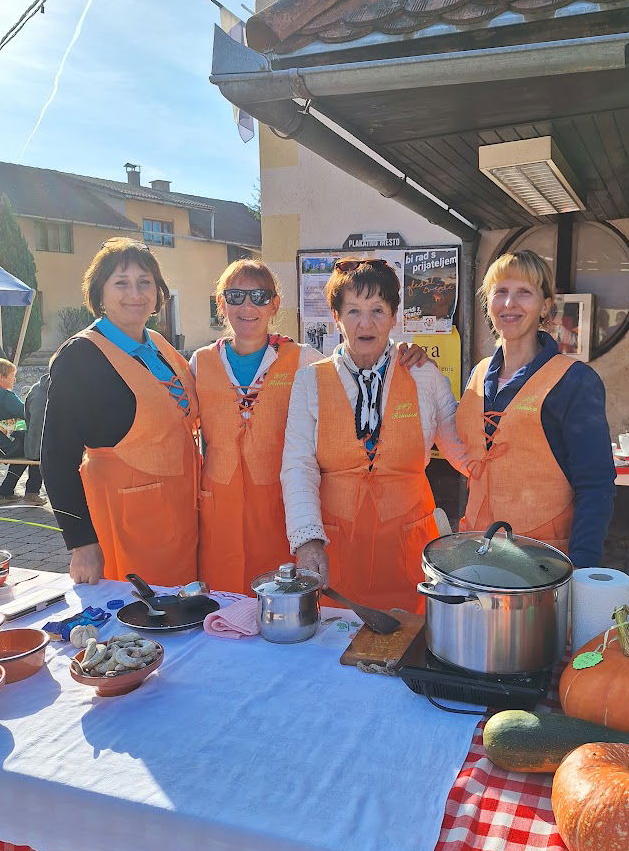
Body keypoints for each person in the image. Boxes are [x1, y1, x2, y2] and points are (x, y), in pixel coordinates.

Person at [282, 257, 470, 613]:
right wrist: (307, 540)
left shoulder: (423, 376)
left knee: (409, 645)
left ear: (395, 317)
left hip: (410, 551)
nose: (364, 324)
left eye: (377, 310)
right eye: (352, 311)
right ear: (336, 318)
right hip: (335, 551)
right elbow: (297, 465)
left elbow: (462, 448)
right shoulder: (310, 381)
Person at [41, 237, 200, 586]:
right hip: (126, 523)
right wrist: (81, 542)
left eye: (145, 282)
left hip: (181, 518)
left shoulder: (158, 345)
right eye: (121, 283)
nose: (136, 293)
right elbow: (55, 457)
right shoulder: (80, 356)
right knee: (139, 626)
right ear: (99, 294)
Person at [455, 250, 614, 568]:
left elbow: (596, 486)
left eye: (523, 292)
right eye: (500, 291)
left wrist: (581, 570)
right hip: (476, 550)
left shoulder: (574, 381)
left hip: (543, 560)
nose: (509, 304)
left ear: (545, 306)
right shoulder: (477, 374)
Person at [190, 259, 322, 593]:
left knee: (278, 595)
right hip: (219, 506)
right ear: (221, 304)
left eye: (260, 296)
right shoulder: (200, 361)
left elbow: (349, 380)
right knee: (223, 595)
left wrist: (399, 352)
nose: (248, 306)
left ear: (275, 304)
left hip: (280, 504)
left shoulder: (303, 358)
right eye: (235, 296)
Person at [0, 358, 46, 505]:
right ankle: (31, 492)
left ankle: (6, 492)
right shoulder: (5, 395)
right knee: (35, 443)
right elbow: (28, 415)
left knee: (24, 445)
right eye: (13, 376)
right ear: (1, 376)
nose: (15, 380)